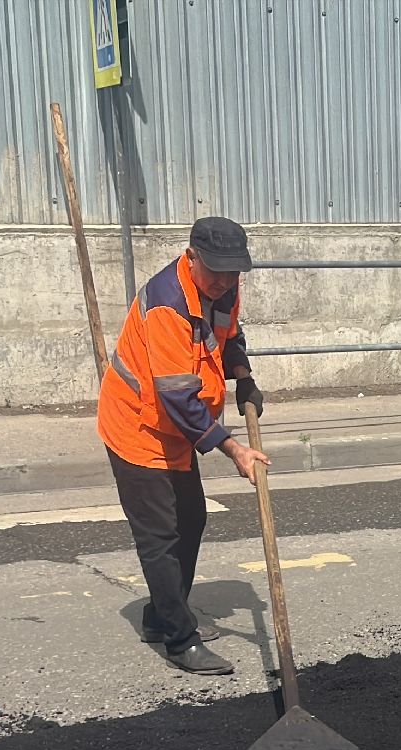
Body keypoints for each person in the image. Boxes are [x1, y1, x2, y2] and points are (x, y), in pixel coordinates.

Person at [98, 216, 270, 675]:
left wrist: (244, 378)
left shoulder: (222, 287)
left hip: (173, 429)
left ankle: (162, 615)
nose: (225, 282)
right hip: (138, 426)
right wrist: (234, 449)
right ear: (190, 256)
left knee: (191, 519)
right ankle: (179, 638)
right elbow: (176, 396)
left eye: (233, 273)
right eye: (215, 271)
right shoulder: (167, 306)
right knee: (160, 536)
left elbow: (229, 336)